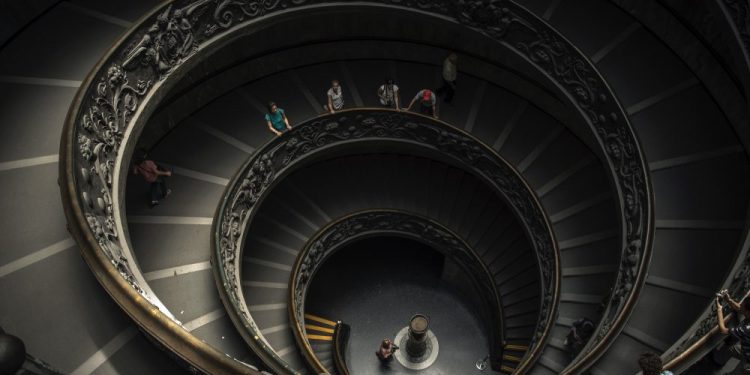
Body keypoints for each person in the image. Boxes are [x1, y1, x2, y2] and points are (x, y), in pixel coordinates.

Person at [717, 291, 750, 373]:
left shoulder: (746, 329)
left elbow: (723, 330)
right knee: (732, 348)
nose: (740, 306)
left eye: (742, 305)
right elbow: (740, 308)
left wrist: (719, 309)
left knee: (740, 371)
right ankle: (718, 360)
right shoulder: (748, 312)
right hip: (746, 349)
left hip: (748, 362)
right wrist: (729, 300)